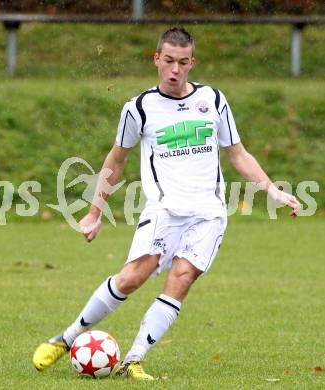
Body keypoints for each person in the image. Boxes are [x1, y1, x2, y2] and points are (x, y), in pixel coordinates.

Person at [33, 27, 300, 380]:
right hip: (164, 211)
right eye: (169, 61)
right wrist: (95, 211)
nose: (175, 70)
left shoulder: (214, 100)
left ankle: (133, 360)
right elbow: (116, 160)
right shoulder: (140, 108)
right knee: (133, 276)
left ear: (193, 63)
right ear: (156, 59)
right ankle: (66, 338)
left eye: (184, 62)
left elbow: (237, 153)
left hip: (208, 215)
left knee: (183, 277)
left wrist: (272, 190)